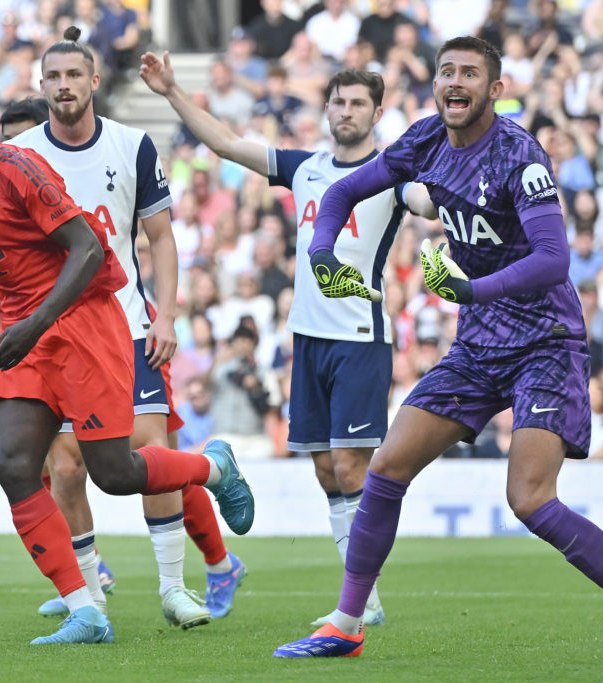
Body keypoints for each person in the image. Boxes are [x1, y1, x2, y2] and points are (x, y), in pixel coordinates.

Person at [274, 35, 603, 661]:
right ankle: (346, 624)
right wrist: (323, 254)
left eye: (471, 73)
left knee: (529, 499)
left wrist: (470, 288)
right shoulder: (424, 140)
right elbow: (338, 194)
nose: (455, 82)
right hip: (479, 345)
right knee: (385, 468)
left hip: (545, 342)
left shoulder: (521, 157)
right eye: (446, 72)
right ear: (435, 83)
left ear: (495, 89)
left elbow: (554, 261)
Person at [0, 84, 254, 646]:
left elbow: (89, 248)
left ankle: (213, 468)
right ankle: (86, 611)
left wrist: (33, 325)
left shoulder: (19, 167)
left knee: (114, 473)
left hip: (83, 321)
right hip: (24, 333)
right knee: (15, 466)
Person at [140, 50, 437, 627]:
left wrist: (446, 185)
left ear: (377, 113)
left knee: (353, 470)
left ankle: (361, 601)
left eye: (359, 103)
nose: (347, 110)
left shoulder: (393, 176)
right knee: (326, 472)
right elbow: (226, 144)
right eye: (340, 101)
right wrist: (172, 92)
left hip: (358, 337)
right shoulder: (304, 168)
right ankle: (364, 599)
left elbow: (427, 200)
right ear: (326, 108)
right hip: (307, 340)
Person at [9, 27, 245, 626]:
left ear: (94, 81)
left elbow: (161, 240)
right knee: (64, 467)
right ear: (42, 86)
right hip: (53, 338)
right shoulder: (20, 157)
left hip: (125, 328)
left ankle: (173, 587)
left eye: (73, 76)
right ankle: (86, 601)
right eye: (53, 77)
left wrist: (165, 314)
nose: (63, 86)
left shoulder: (133, 145)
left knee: (147, 450)